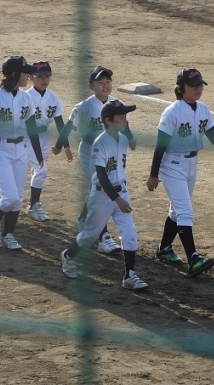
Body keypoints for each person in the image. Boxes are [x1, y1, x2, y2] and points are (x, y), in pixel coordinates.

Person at [146, 67, 214, 277]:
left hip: (191, 164)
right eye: (193, 85)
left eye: (200, 85)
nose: (198, 88)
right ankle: (193, 259)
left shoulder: (203, 110)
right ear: (181, 88)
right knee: (185, 212)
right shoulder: (172, 112)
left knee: (177, 211)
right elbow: (160, 145)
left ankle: (164, 248)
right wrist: (154, 174)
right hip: (172, 164)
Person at [60, 99, 149, 291]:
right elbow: (101, 174)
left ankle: (129, 275)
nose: (125, 120)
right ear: (108, 120)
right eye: (121, 117)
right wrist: (117, 199)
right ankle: (68, 255)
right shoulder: (100, 144)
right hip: (102, 196)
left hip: (122, 191)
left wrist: (120, 197)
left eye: (125, 116)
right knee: (90, 235)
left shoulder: (122, 140)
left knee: (130, 234)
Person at [55, 65, 136, 254]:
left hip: (111, 153)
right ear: (91, 86)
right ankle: (104, 237)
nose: (105, 85)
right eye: (100, 82)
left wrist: (131, 139)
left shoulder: (116, 103)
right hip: (89, 152)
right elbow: (68, 127)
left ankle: (83, 219)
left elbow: (125, 124)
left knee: (96, 190)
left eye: (108, 81)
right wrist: (61, 146)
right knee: (100, 189)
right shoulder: (84, 106)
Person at [0, 56, 43, 251]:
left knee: (18, 199)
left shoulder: (26, 98)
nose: (28, 77)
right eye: (25, 73)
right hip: (0, 150)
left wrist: (39, 155)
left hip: (21, 149)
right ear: (15, 74)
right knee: (10, 197)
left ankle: (9, 235)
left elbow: (31, 128)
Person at [24, 60, 69, 221]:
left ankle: (33, 204)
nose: (44, 80)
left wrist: (65, 145)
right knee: (41, 170)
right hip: (27, 137)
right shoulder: (26, 97)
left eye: (47, 76)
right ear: (30, 77)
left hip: (43, 137)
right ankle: (33, 205)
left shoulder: (53, 98)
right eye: (39, 76)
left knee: (37, 172)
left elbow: (59, 122)